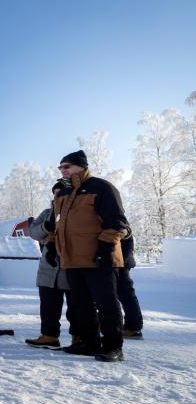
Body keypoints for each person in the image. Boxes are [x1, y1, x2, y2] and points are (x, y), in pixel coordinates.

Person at [49, 150, 128, 362]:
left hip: (99, 258)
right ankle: (89, 343)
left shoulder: (101, 187)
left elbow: (116, 222)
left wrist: (105, 250)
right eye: (60, 167)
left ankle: (113, 346)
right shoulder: (63, 193)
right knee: (80, 305)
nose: (63, 170)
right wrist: (52, 247)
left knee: (106, 303)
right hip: (71, 259)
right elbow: (56, 225)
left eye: (67, 166)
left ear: (82, 166)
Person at [25, 180, 73, 349]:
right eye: (55, 193)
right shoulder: (47, 213)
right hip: (48, 267)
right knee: (48, 306)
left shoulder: (75, 213)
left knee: (76, 307)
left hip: (70, 266)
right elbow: (33, 232)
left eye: (60, 193)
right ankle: (49, 336)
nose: (56, 196)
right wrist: (46, 227)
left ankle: (79, 337)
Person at [118, 223, 144, 339]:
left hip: (120, 262)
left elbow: (126, 235)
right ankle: (132, 327)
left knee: (126, 294)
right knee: (124, 294)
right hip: (120, 260)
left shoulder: (114, 216)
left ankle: (133, 328)